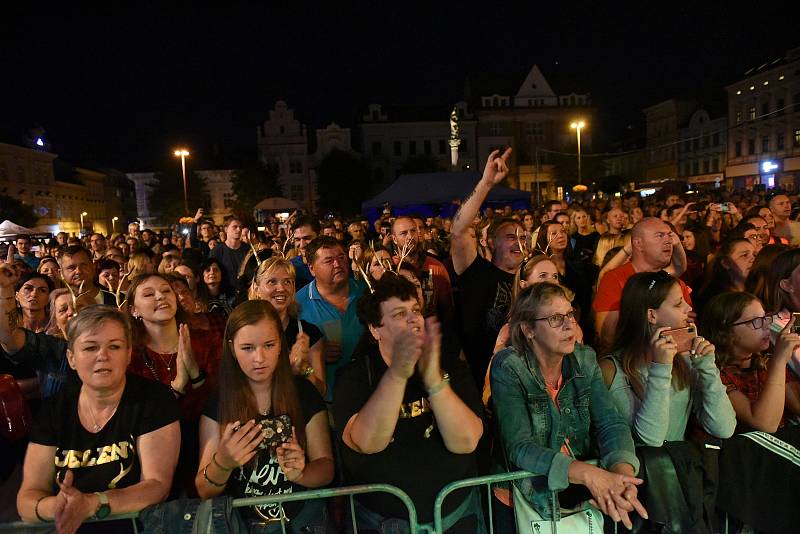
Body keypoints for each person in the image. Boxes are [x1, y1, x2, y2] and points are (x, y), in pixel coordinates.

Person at [334, 275, 484, 531]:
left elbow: (467, 441)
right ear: (374, 328)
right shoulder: (357, 375)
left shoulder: (448, 365)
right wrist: (398, 373)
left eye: (415, 310)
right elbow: (367, 442)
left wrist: (434, 380)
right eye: (399, 314)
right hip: (383, 522)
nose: (413, 318)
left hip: (456, 516)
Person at [491, 282, 645, 530]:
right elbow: (520, 447)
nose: (569, 324)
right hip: (525, 493)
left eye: (570, 314)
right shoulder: (509, 366)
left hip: (576, 491)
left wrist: (621, 476)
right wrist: (589, 474)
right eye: (555, 318)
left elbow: (611, 423)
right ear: (528, 329)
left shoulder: (584, 358)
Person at [16, 306, 180, 533]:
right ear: (72, 358)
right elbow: (28, 496)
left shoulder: (154, 400)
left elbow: (157, 486)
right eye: (90, 347)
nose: (103, 355)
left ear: (128, 354)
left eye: (114, 346)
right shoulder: (53, 409)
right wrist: (60, 506)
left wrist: (93, 503)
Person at [196, 300, 334, 530]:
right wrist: (223, 462)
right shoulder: (219, 402)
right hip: (243, 524)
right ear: (232, 348)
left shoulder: (303, 393)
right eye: (247, 348)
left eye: (269, 345)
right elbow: (204, 489)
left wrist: (301, 473)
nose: (259, 358)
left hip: (301, 522)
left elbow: (326, 468)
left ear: (281, 344)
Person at [600, 270, 736, 446]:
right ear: (651, 315)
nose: (688, 309)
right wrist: (661, 367)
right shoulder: (612, 368)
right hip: (637, 470)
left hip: (677, 469)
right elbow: (651, 439)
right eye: (679, 303)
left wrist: (708, 369)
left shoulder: (684, 360)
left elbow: (724, 428)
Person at [450, 148, 523, 386]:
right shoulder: (477, 272)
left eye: (523, 237)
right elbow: (458, 231)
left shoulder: (533, 279)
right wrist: (486, 183)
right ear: (490, 242)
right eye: (510, 237)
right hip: (477, 379)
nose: (519, 242)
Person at [702, 292, 800, 432]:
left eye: (765, 317)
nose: (767, 325)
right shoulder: (714, 373)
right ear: (727, 329)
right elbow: (764, 424)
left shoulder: (764, 361)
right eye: (755, 321)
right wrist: (779, 362)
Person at [593, 218, 689, 350]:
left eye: (669, 235)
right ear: (638, 243)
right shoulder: (615, 279)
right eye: (659, 236)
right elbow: (608, 337)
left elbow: (687, 331)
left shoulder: (673, 282)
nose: (669, 241)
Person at [295, 236, 367, 400]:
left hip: (368, 394)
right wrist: (316, 353)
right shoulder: (298, 304)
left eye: (341, 257)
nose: (338, 264)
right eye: (329, 261)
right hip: (326, 399)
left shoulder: (366, 293)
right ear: (312, 268)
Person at [250, 257, 326, 395]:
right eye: (272, 282)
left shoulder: (309, 333)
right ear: (257, 289)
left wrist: (303, 369)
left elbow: (321, 391)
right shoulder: (244, 333)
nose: (281, 288)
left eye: (287, 282)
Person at [693, 238, 756, 315]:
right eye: (744, 255)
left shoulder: (757, 290)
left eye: (754, 254)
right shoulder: (714, 298)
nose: (753, 259)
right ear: (725, 263)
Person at [210, 216, 248, 291]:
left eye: (240, 227)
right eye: (235, 227)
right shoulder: (217, 250)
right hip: (225, 292)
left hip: (245, 292)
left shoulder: (248, 249)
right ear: (226, 229)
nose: (239, 229)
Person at [289, 217, 320, 290]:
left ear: (319, 236)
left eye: (307, 238)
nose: (302, 245)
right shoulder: (290, 267)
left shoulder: (334, 263)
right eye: (297, 239)